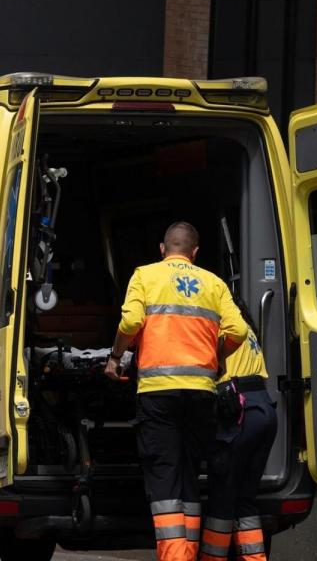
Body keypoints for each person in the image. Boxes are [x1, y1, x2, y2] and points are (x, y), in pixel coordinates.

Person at [103, 222, 248, 561]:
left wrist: (115, 357)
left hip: (158, 393)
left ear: (162, 249)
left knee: (164, 477)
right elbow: (239, 331)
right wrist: (216, 357)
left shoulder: (145, 275)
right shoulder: (214, 283)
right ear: (195, 252)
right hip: (201, 393)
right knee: (188, 475)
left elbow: (130, 323)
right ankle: (188, 553)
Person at [199, 314, 278, 561]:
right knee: (245, 499)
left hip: (239, 413)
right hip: (264, 410)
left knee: (222, 499)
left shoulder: (219, 325)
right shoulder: (247, 330)